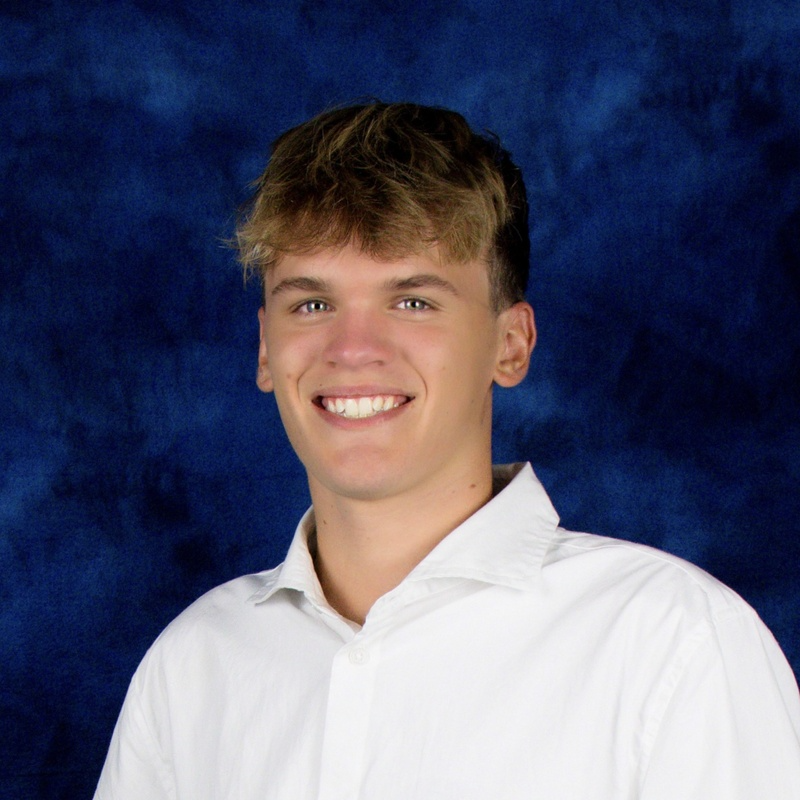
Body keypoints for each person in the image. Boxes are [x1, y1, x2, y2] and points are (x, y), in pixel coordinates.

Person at [94, 102, 800, 799]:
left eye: (413, 302)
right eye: (312, 304)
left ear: (511, 344)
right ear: (264, 349)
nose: (352, 350)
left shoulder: (672, 647)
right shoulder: (192, 668)